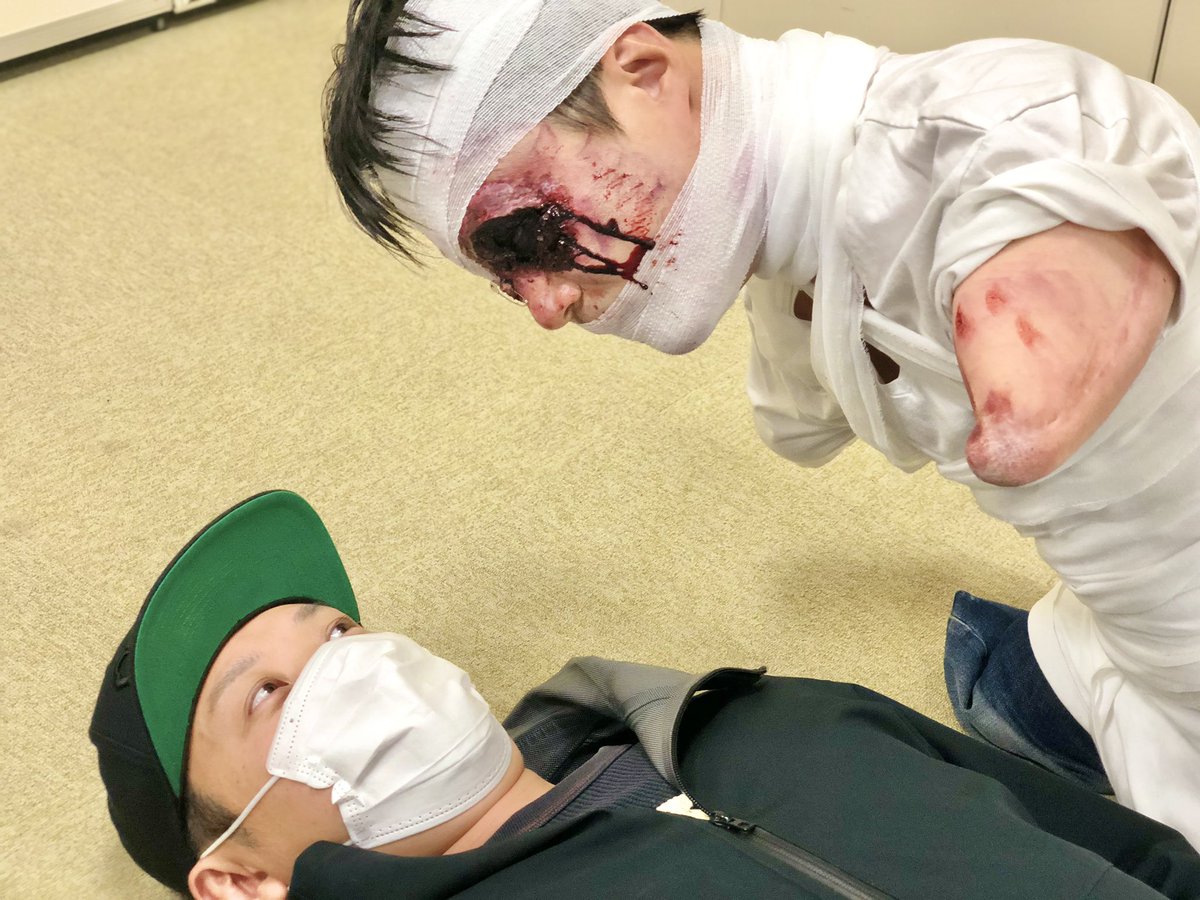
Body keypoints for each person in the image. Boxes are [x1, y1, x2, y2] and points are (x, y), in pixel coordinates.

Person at [320, 0, 1200, 844]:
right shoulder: (801, 243)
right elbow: (797, 424)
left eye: (532, 237)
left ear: (646, 70)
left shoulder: (996, 134)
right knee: (1011, 687)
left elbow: (1027, 413)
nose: (544, 307)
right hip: (1105, 609)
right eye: (505, 281)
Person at [90, 490, 1200, 898]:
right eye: (266, 696)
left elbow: (1141, 857)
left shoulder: (772, 716)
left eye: (340, 632)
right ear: (241, 879)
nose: (351, 665)